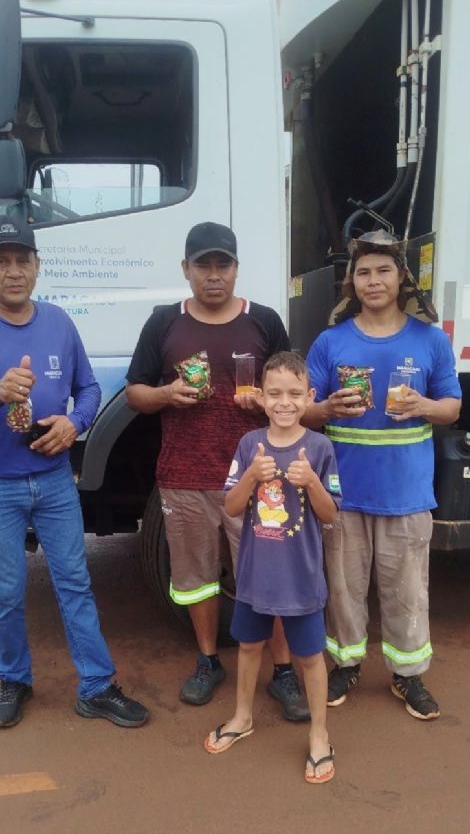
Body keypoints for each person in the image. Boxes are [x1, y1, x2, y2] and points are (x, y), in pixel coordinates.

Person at [0, 214, 149, 730]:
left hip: (51, 480)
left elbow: (89, 389)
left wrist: (74, 424)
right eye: (0, 260)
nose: (12, 271)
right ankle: (13, 680)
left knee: (75, 582)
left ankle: (95, 686)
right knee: (6, 590)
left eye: (22, 259)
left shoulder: (58, 323)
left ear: (37, 265)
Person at [125, 221, 309, 720]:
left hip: (259, 474)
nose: (213, 275)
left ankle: (284, 670)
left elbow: (294, 390)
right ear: (186, 270)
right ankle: (208, 660)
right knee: (195, 577)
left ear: (235, 269)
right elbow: (135, 392)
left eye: (222, 265)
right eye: (202, 265)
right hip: (184, 476)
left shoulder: (264, 321)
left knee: (268, 576)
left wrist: (267, 404)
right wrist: (167, 394)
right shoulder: (164, 322)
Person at [304, 229, 462, 720]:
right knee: (344, 588)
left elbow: (453, 408)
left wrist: (425, 406)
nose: (373, 280)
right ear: (352, 281)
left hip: (407, 493)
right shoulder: (330, 342)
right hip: (343, 493)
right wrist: (326, 406)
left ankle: (408, 674)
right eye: (364, 272)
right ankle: (346, 664)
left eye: (384, 270)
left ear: (402, 278)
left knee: (407, 590)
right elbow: (300, 411)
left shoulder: (431, 340)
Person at [203, 352, 340, 785]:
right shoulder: (249, 445)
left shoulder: (320, 447)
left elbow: (331, 513)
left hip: (301, 580)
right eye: (276, 393)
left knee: (310, 657)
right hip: (255, 578)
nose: (285, 402)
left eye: (295, 393)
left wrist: (312, 482)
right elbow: (230, 504)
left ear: (310, 396)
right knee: (247, 647)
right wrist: (252, 477)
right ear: (261, 397)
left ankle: (320, 735)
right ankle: (242, 716)